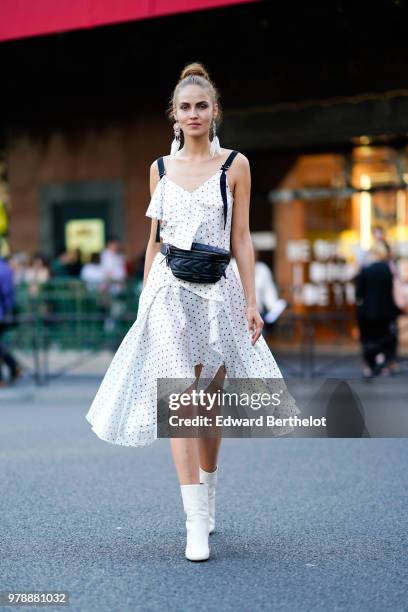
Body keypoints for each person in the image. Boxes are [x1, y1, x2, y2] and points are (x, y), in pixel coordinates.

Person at [85, 62, 300, 562]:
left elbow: (242, 237)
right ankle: (193, 523)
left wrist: (251, 299)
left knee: (209, 403)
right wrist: (144, 300)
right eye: (185, 107)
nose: (194, 113)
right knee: (180, 397)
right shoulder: (159, 168)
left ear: (215, 110)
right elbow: (153, 243)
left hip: (219, 289)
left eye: (202, 105)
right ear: (174, 116)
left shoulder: (236, 165)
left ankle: (208, 490)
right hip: (167, 290)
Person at [354, 240, 401, 378]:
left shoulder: (366, 269)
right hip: (386, 310)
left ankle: (369, 366)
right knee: (384, 337)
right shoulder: (389, 270)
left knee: (368, 339)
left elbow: (359, 293)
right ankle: (383, 361)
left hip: (367, 311)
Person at [0, 255, 22, 386]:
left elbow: (7, 293)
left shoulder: (3, 270)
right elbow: (8, 294)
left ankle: (6, 374)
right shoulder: (5, 269)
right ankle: (14, 367)